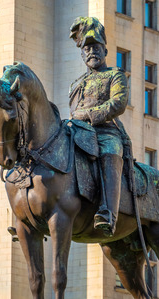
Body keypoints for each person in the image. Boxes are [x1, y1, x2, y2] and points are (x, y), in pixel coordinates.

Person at [68, 17, 128, 237]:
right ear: (82, 54)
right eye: (86, 48)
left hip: (106, 131)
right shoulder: (75, 84)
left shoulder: (115, 75)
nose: (91, 52)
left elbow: (118, 104)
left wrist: (89, 115)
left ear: (105, 50)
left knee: (110, 151)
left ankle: (108, 213)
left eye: (95, 47)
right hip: (77, 131)